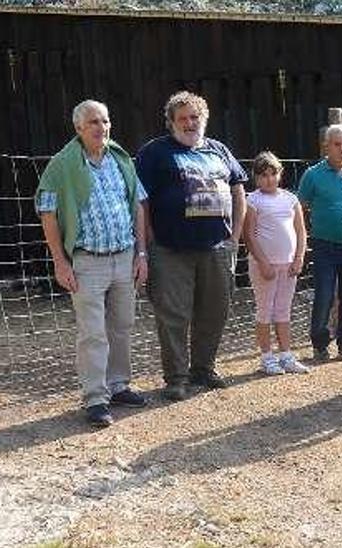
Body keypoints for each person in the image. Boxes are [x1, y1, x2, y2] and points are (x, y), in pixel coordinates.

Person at [36, 99, 149, 427]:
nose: (102, 128)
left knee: (122, 326)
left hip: (124, 257)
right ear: (79, 129)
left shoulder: (120, 159)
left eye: (105, 121)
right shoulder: (62, 165)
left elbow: (139, 205)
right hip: (87, 261)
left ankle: (118, 385)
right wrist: (60, 261)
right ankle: (95, 398)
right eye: (94, 123)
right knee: (92, 333)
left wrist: (141, 253)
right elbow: (47, 212)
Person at [136, 91, 248, 401]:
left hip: (217, 248)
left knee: (214, 312)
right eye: (182, 118)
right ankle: (176, 378)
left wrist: (235, 237)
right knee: (174, 316)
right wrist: (146, 243)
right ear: (171, 122)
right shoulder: (154, 153)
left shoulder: (220, 151)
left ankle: (204, 369)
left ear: (204, 119)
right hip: (170, 250)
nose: (189, 123)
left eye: (195, 117)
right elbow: (140, 200)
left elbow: (239, 191)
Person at [297, 124, 342, 363]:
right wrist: (305, 238)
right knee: (324, 296)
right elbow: (300, 208)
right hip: (324, 245)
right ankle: (320, 345)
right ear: (326, 146)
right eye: (337, 144)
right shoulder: (312, 175)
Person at [243, 151, 309, 375]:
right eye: (263, 175)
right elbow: (249, 235)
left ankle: (286, 355)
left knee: (283, 310)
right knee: (265, 310)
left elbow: (300, 231)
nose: (269, 179)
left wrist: (299, 258)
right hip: (265, 266)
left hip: (288, 265)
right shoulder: (252, 200)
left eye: (273, 174)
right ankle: (266, 357)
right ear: (256, 178)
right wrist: (263, 262)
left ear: (280, 175)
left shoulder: (290, 199)